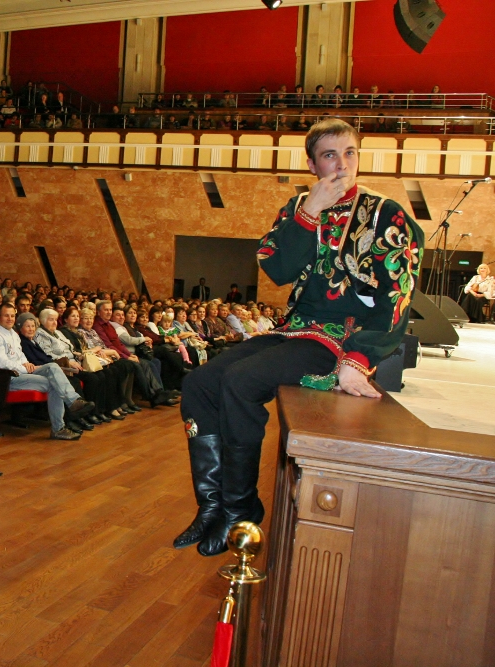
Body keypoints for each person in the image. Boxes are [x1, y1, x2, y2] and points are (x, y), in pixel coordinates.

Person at [177, 119, 423, 557]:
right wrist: (309, 213)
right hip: (294, 330)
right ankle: (211, 505)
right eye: (330, 155)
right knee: (198, 382)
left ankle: (240, 509)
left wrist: (358, 359)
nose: (341, 164)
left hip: (340, 339)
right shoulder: (298, 207)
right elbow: (277, 269)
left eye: (349, 153)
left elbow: (397, 297)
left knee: (241, 381)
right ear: (312, 164)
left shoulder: (389, 215)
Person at [0, 302, 96, 441]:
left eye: (12, 315)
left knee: (52, 367)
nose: (10, 318)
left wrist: (29, 364)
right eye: (6, 316)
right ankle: (59, 427)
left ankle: (72, 402)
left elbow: (20, 356)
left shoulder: (13, 333)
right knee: (54, 384)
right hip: (5, 378)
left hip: (22, 372)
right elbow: (3, 363)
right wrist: (25, 367)